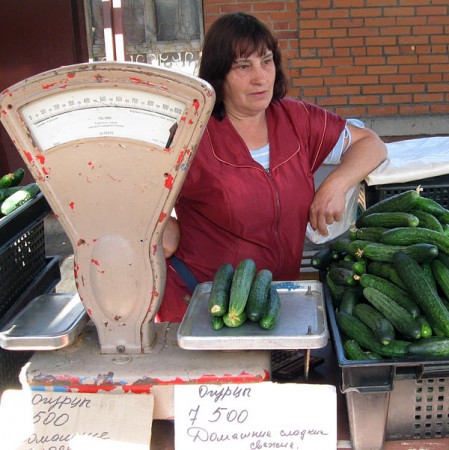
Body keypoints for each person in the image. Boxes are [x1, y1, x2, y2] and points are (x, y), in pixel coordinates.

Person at [156, 12, 387, 322]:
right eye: (243, 66)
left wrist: (335, 185)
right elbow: (130, 196)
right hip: (201, 302)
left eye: (266, 61)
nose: (260, 77)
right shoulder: (192, 136)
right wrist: (159, 226)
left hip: (270, 301)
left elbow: (371, 143)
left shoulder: (296, 119)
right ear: (218, 74)